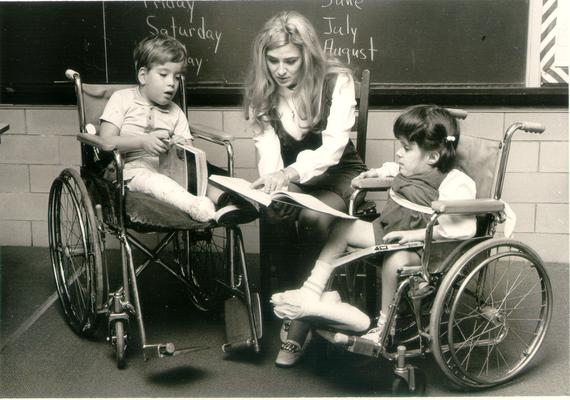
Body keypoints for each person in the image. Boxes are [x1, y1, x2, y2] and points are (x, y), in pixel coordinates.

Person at [271, 104, 478, 367]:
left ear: (433, 157)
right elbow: (391, 169)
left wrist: (412, 234)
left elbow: (461, 229)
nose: (399, 153)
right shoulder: (410, 168)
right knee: (344, 227)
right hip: (391, 233)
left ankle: (383, 327)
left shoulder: (455, 183)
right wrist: (375, 173)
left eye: (406, 148)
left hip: (425, 250)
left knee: (395, 262)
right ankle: (312, 289)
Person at [244, 11, 368, 361]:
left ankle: (304, 316)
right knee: (276, 214)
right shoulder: (262, 91)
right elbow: (268, 152)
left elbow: (332, 150)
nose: (280, 70)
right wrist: (274, 182)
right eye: (272, 61)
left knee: (314, 221)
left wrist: (289, 176)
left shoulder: (337, 80)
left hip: (338, 174)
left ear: (307, 56)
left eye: (290, 61)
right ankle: (290, 304)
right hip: (291, 180)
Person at [99, 34, 256, 225]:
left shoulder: (175, 112)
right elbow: (106, 141)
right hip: (130, 169)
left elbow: (187, 152)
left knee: (203, 174)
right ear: (143, 76)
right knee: (155, 181)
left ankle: (230, 203)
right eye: (163, 75)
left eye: (177, 76)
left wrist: (179, 145)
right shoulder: (122, 99)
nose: (172, 83)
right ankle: (195, 206)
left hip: (168, 168)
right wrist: (142, 141)